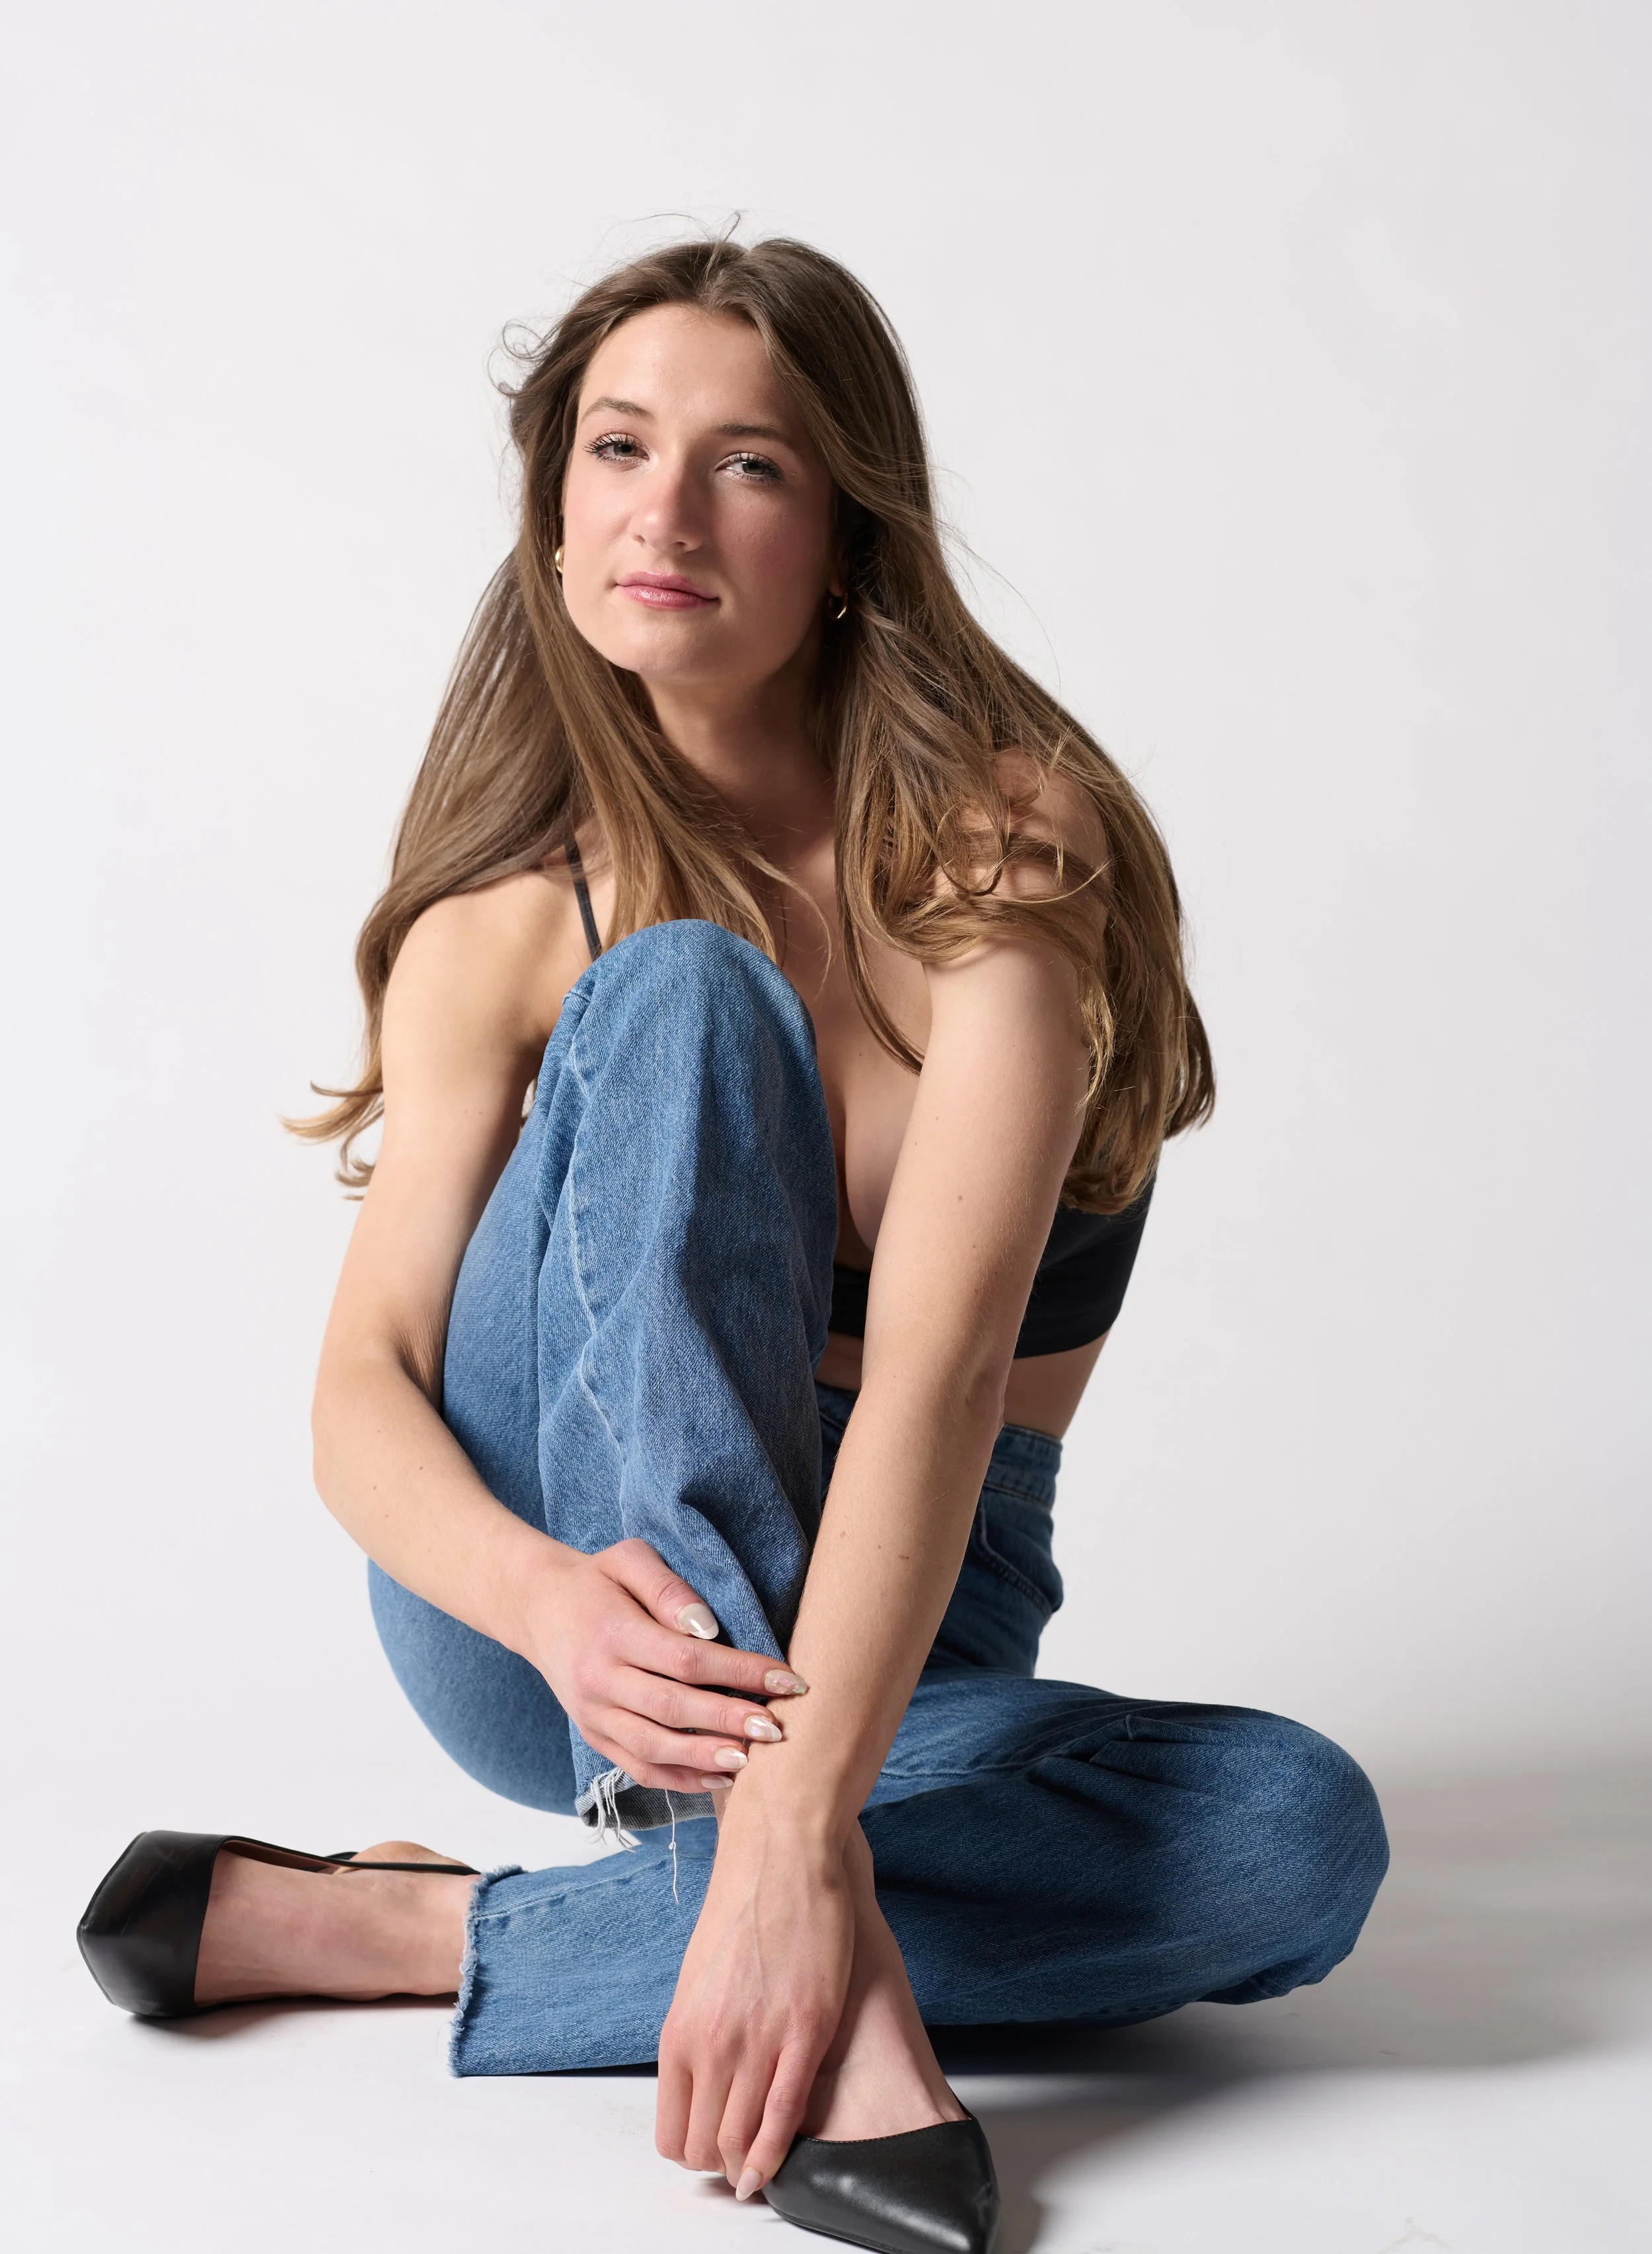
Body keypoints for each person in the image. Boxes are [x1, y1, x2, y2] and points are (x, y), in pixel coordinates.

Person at [77, 236, 1388, 2254]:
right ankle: (783, 1909)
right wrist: (540, 1598)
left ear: (848, 525)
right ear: (554, 504)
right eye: (617, 446)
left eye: (748, 464)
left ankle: (425, 1932)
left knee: (1290, 1847)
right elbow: (358, 1399)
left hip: (917, 1608)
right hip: (560, 1625)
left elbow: (944, 1380)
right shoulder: (506, 930)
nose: (662, 512)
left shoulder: (999, 850)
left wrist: (796, 1824)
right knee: (683, 997)